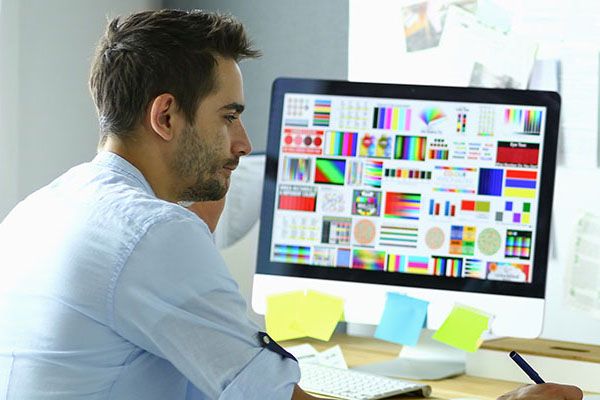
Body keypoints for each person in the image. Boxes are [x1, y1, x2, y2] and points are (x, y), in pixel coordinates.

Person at [0, 9, 584, 400]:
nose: (245, 144)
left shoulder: (37, 213)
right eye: (229, 117)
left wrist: (203, 190)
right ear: (166, 116)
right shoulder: (152, 234)